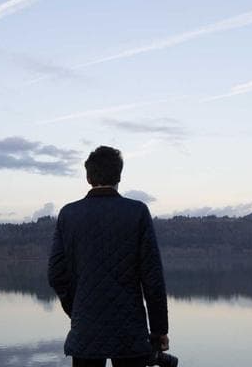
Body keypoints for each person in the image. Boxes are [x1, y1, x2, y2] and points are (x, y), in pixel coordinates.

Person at [48, 145, 169, 367]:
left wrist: (78, 311)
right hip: (129, 331)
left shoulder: (69, 214)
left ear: (88, 177)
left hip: (85, 330)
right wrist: (159, 330)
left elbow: (56, 275)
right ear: (119, 176)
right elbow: (153, 279)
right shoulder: (137, 212)